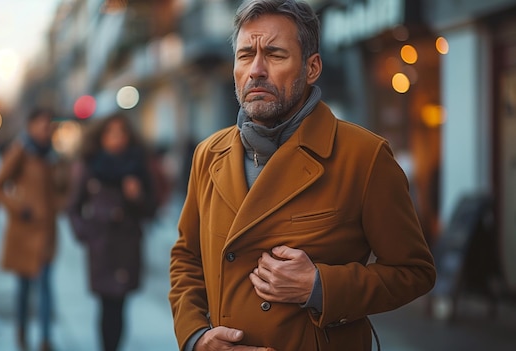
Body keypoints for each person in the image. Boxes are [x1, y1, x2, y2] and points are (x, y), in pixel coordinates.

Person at [168, 1, 437, 351]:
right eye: (246, 54)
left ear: (312, 67)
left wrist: (319, 287)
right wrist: (195, 337)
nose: (256, 70)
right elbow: (186, 258)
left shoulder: (364, 156)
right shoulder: (208, 154)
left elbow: (414, 272)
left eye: (275, 54)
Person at [67, 113, 156, 351]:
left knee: (119, 305)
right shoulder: (90, 165)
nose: (116, 138)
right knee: (107, 305)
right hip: (101, 246)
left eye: (121, 132)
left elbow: (152, 209)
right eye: (111, 132)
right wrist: (85, 234)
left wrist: (137, 197)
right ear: (101, 136)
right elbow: (73, 207)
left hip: (127, 246)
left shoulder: (137, 166)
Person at [0, 108, 67, 351]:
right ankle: (21, 336)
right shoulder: (20, 151)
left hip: (47, 232)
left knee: (46, 287)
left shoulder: (53, 155)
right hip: (24, 231)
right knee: (23, 289)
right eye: (41, 125)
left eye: (48, 125)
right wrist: (19, 206)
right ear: (30, 126)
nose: (46, 129)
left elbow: (63, 189)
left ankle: (45, 340)